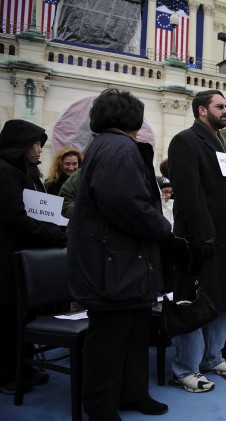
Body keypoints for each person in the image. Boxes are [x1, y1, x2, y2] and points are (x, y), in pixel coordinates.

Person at [67, 89, 185, 419]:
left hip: (125, 262)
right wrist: (164, 230)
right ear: (131, 117)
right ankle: (101, 409)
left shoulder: (110, 145)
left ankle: (132, 393)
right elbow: (125, 204)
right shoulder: (117, 148)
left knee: (134, 333)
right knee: (109, 340)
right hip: (113, 263)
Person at [168, 89, 226, 391]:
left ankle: (211, 357)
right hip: (199, 240)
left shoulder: (225, 146)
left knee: (221, 299)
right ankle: (185, 368)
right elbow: (190, 194)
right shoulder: (185, 141)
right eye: (220, 106)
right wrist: (204, 235)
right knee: (192, 303)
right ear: (202, 110)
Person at [0, 119, 66, 395]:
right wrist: (55, 235)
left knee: (21, 315)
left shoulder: (22, 171)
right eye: (35, 144)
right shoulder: (4, 172)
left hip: (22, 254)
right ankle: (7, 376)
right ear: (20, 145)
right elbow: (16, 217)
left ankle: (23, 368)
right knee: (6, 317)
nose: (40, 149)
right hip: (6, 257)